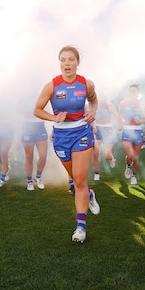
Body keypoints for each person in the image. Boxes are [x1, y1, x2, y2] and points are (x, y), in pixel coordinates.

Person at [33, 46, 100, 243]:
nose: (67, 63)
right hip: (61, 136)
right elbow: (37, 110)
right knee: (75, 177)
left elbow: (94, 101)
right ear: (59, 62)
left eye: (71, 59)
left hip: (82, 132)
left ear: (78, 62)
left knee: (79, 180)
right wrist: (54, 117)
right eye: (63, 60)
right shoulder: (52, 86)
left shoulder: (86, 84)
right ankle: (90, 194)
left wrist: (92, 112)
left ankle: (80, 227)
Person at [118, 83, 145, 185]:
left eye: (134, 91)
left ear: (138, 92)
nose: (132, 93)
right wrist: (121, 123)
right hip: (127, 130)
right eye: (131, 91)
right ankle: (129, 165)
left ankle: (134, 175)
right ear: (128, 92)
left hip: (137, 131)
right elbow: (119, 115)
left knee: (135, 157)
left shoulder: (141, 103)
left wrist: (140, 121)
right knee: (130, 155)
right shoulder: (123, 103)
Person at [21, 102, 48, 191]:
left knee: (43, 155)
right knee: (29, 157)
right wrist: (28, 111)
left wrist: (39, 112)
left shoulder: (43, 97)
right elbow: (18, 110)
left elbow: (48, 111)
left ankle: (38, 177)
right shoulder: (25, 97)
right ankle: (29, 181)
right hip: (27, 127)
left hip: (40, 127)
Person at [92, 99, 119, 180]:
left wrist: (119, 125)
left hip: (107, 129)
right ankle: (96, 173)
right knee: (96, 153)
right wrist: (93, 126)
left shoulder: (109, 104)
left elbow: (116, 116)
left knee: (107, 155)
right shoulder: (93, 104)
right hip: (97, 129)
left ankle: (111, 158)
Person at [0, 112, 15, 188]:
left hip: (8, 129)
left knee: (4, 152)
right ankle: (6, 168)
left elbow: (14, 114)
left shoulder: (8, 103)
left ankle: (2, 178)